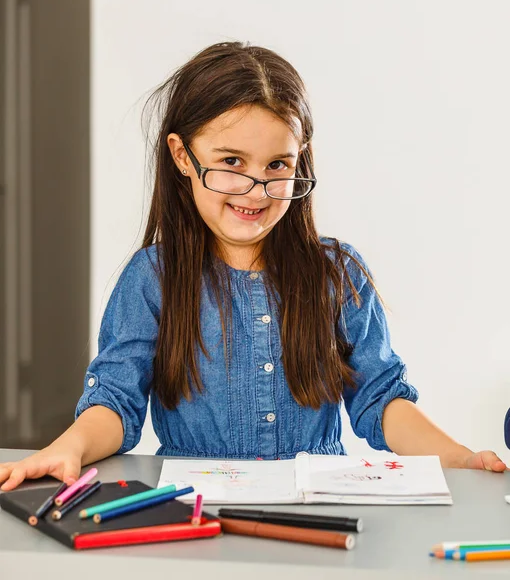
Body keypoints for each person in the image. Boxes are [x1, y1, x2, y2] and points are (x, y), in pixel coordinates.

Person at [0, 42, 505, 491]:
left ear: (299, 159)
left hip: (317, 508)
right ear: (182, 156)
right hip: (196, 509)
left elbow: (382, 398)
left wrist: (458, 458)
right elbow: (115, 401)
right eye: (232, 163)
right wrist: (67, 447)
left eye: (277, 166)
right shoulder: (153, 277)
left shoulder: (339, 273)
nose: (255, 190)